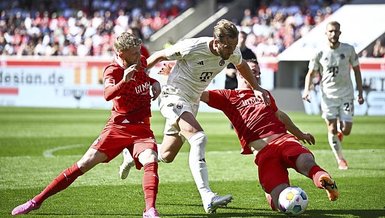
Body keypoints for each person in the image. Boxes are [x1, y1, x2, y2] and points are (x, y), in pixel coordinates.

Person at [119, 19, 270, 214]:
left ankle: (132, 153)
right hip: (173, 96)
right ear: (217, 41)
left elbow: (241, 65)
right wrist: (140, 75)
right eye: (228, 46)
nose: (232, 50)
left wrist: (256, 88)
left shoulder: (233, 51)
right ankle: (207, 196)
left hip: (191, 102)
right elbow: (159, 55)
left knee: (166, 155)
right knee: (199, 138)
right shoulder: (192, 46)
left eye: (234, 45)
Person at [11, 32, 162, 218]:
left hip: (141, 128)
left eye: (139, 51)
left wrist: (154, 83)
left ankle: (150, 210)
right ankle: (36, 201)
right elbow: (108, 94)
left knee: (151, 159)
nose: (139, 56)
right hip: (118, 128)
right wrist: (124, 80)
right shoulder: (112, 70)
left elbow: (144, 79)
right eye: (134, 53)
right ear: (121, 53)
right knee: (82, 164)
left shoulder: (141, 62)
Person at [200, 58, 339, 212]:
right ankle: (273, 196)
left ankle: (325, 181)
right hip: (264, 154)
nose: (256, 76)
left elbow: (280, 116)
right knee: (280, 203)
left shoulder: (263, 93)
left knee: (305, 162)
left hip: (284, 140)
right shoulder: (227, 96)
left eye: (258, 73)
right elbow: (199, 94)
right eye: (253, 72)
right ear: (240, 72)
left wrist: (300, 134)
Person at [302, 21, 364, 170]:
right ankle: (340, 159)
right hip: (328, 96)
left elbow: (356, 70)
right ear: (326, 33)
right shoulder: (319, 52)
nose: (333, 34)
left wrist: (360, 92)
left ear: (340, 33)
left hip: (346, 95)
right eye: (330, 31)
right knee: (332, 128)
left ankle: (340, 134)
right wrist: (307, 90)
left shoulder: (349, 49)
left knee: (347, 129)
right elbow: (311, 73)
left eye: (336, 31)